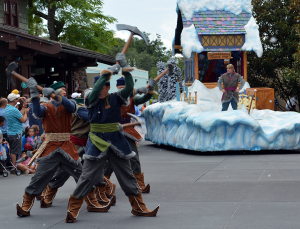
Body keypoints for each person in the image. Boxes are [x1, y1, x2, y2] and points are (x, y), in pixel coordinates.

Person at [65, 53, 159, 223]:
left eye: (104, 88)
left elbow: (129, 86)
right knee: (87, 176)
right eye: (98, 88)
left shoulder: (117, 98)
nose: (100, 91)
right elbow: (97, 88)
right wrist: (107, 73)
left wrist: (126, 69)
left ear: (109, 88)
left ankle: (138, 206)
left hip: (116, 140)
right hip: (97, 141)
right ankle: (73, 209)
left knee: (127, 174)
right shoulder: (91, 99)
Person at [16, 79, 106, 217]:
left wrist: (57, 96)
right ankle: (26, 206)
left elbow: (71, 106)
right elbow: (38, 112)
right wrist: (34, 94)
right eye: (61, 90)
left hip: (67, 147)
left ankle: (92, 203)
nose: (64, 91)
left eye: (65, 90)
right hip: (50, 148)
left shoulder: (69, 105)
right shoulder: (46, 107)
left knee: (82, 176)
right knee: (38, 177)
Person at [104, 77, 156, 194]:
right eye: (121, 87)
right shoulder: (112, 97)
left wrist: (150, 90)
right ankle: (104, 184)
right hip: (114, 130)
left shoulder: (132, 98)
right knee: (110, 160)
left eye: (124, 87)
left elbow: (143, 98)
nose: (122, 89)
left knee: (134, 158)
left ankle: (140, 184)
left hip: (128, 130)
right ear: (117, 87)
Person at [5, 93, 29, 169]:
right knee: (14, 151)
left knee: (12, 150)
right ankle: (13, 167)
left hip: (9, 132)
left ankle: (13, 166)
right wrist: (26, 113)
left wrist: (23, 105)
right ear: (14, 100)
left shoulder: (7, 108)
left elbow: (18, 115)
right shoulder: (14, 109)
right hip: (16, 133)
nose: (18, 100)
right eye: (17, 99)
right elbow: (23, 119)